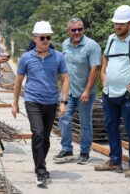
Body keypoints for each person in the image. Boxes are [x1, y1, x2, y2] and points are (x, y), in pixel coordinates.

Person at [95, 5, 130, 178]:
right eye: (116, 24)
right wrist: (103, 75)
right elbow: (105, 57)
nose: (118, 27)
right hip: (109, 93)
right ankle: (114, 161)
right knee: (110, 127)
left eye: (122, 24)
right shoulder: (112, 38)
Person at [12, 21, 69, 187]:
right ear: (35, 38)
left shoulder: (58, 57)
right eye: (42, 37)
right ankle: (41, 171)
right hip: (32, 101)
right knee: (37, 132)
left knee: (45, 137)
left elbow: (65, 79)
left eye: (48, 37)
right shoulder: (26, 58)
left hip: (51, 102)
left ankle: (40, 163)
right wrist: (14, 103)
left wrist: (63, 101)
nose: (45, 40)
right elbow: (18, 81)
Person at [53, 18, 102, 165]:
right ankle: (67, 149)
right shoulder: (65, 44)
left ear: (83, 30)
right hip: (68, 92)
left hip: (84, 92)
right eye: (73, 30)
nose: (77, 32)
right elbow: (63, 69)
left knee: (85, 123)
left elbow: (95, 69)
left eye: (80, 29)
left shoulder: (91, 46)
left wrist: (87, 90)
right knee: (64, 119)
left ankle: (85, 152)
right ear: (68, 31)